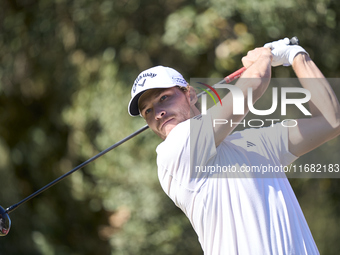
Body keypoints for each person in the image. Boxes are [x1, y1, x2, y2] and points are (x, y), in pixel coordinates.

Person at [128, 38, 340, 254]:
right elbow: (254, 82)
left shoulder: (256, 143)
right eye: (148, 111)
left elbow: (331, 121)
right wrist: (266, 54)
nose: (158, 113)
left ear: (190, 94)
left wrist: (296, 56)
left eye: (164, 98)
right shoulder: (173, 151)